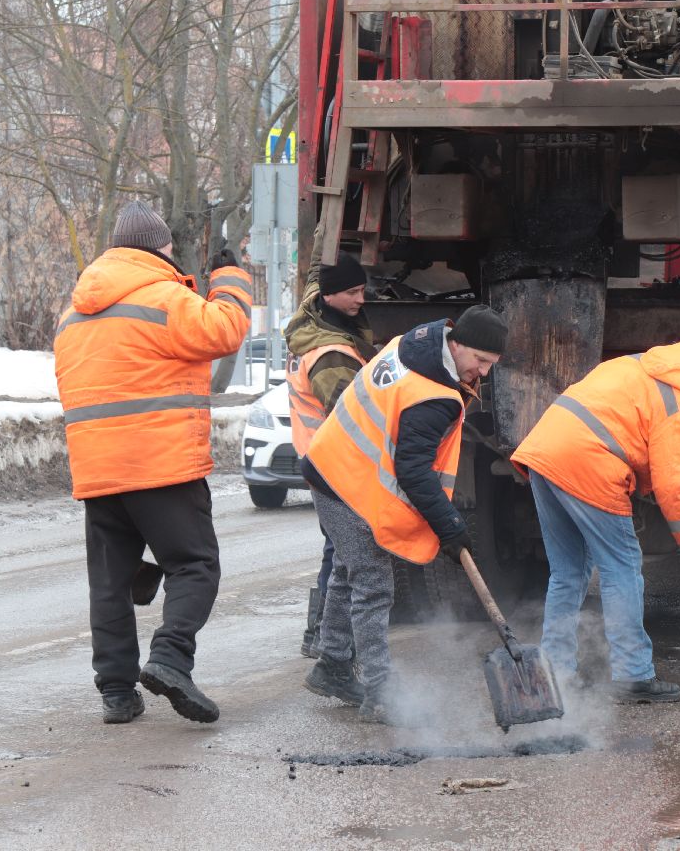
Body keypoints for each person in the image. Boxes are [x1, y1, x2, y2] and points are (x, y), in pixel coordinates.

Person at [53, 201, 252, 725]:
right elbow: (225, 330)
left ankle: (117, 693)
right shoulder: (165, 299)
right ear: (159, 248)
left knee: (112, 582)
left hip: (98, 470)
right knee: (194, 565)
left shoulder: (73, 313)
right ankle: (170, 659)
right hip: (161, 464)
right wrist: (229, 277)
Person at [511, 343, 680, 703]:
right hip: (589, 459)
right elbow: (676, 487)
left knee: (566, 573)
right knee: (622, 568)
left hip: (545, 450)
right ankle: (633, 676)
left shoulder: (652, 365)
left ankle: (555, 671)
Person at [300, 306, 507, 723]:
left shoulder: (412, 344)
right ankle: (379, 692)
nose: (482, 373)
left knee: (346, 571)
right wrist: (449, 525)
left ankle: (333, 665)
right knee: (373, 585)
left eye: (490, 365)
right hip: (347, 483)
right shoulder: (433, 397)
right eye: (480, 361)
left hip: (330, 464)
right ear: (457, 344)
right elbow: (413, 471)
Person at [284, 253, 377, 658]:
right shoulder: (331, 356)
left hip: (316, 459)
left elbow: (313, 276)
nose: (362, 298)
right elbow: (352, 419)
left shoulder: (311, 316)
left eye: (362, 289)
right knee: (340, 552)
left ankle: (320, 635)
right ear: (331, 295)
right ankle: (321, 636)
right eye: (353, 292)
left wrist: (325, 239)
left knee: (335, 550)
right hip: (334, 466)